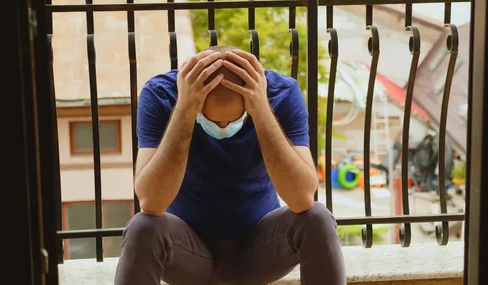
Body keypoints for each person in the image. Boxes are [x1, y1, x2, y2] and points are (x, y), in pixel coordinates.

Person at [114, 46, 346, 285]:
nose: (223, 128)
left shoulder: (281, 93)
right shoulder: (161, 94)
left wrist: (261, 110)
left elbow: (302, 198)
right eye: (212, 120)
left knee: (317, 217)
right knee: (143, 227)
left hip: (258, 251)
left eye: (234, 120)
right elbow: (150, 202)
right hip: (188, 253)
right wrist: (184, 109)